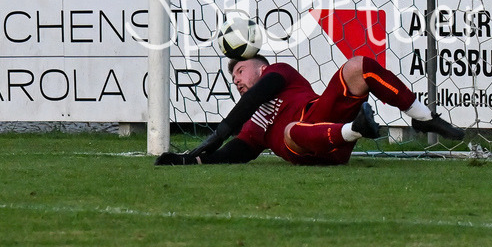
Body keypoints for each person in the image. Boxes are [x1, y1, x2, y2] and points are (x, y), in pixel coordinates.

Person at [155, 54, 465, 166]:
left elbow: (256, 95)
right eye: (232, 77)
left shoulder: (278, 72)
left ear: (261, 66)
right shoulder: (252, 123)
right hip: (305, 149)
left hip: (325, 119)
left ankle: (424, 117)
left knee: (359, 66)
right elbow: (239, 152)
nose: (235, 79)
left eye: (240, 71)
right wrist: (193, 159)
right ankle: (358, 128)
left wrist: (218, 133)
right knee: (291, 131)